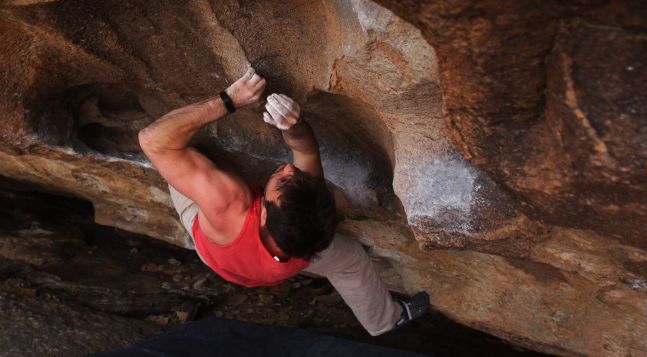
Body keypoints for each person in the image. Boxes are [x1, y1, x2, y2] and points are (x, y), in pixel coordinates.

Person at [138, 66, 429, 335]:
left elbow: (152, 140)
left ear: (264, 213)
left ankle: (384, 321)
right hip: (275, 267)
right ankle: (386, 321)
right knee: (349, 257)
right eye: (292, 175)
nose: (287, 168)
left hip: (216, 253)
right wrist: (293, 125)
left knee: (179, 151)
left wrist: (228, 101)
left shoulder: (226, 202)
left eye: (281, 179)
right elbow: (305, 150)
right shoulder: (307, 216)